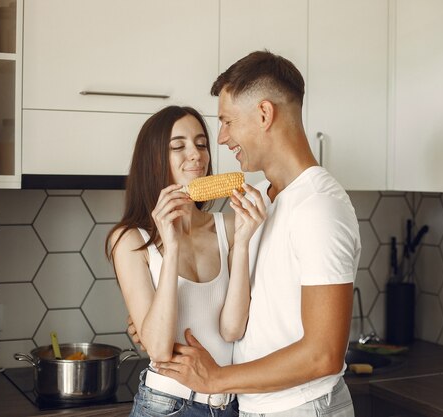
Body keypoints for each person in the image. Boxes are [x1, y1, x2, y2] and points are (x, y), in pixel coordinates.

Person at [150, 51, 362, 416]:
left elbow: (323, 354)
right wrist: (148, 322)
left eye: (228, 121)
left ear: (264, 114)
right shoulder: (259, 199)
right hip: (257, 407)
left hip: (302, 408)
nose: (221, 138)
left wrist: (217, 379)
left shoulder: (320, 208)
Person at [106, 105, 266, 417]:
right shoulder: (130, 240)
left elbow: (232, 330)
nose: (195, 155)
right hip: (166, 405)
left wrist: (244, 242)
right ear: (154, 161)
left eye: (201, 144)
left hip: (228, 405)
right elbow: (159, 348)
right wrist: (173, 246)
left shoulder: (229, 227)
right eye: (178, 146)